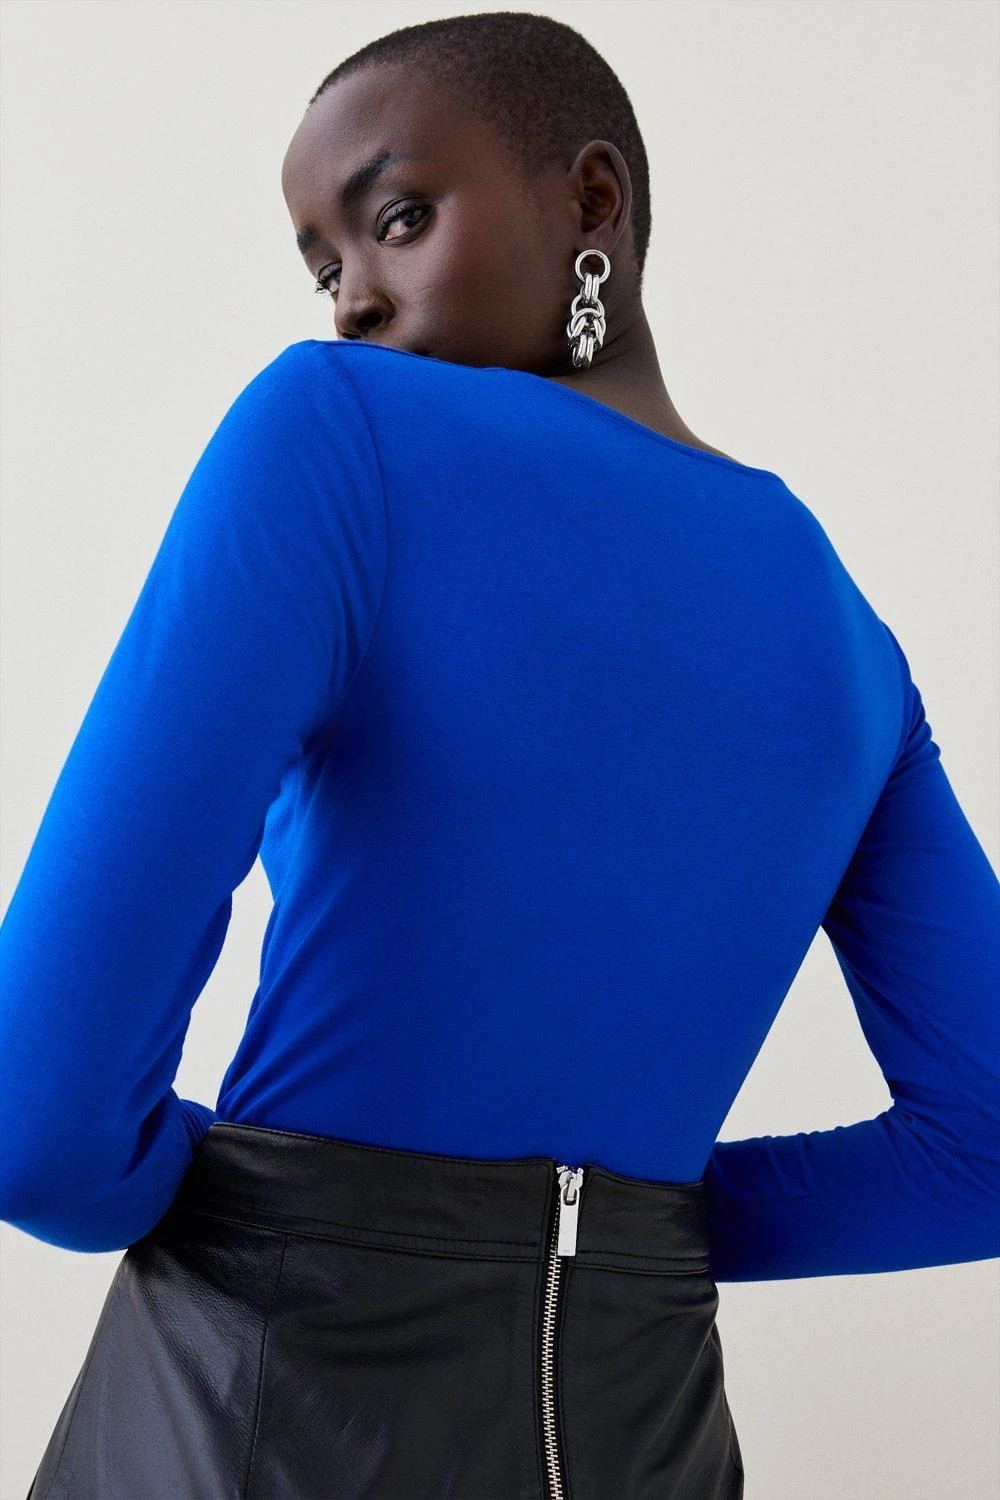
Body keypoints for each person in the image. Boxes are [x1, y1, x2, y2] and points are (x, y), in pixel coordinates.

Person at [5, 10, 999, 1499]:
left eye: (398, 218)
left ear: (593, 201)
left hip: (265, 1413)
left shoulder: (331, 433)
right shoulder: (847, 635)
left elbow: (39, 1137)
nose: (353, 300)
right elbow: (985, 1153)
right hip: (643, 1429)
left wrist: (304, 1206)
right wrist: (628, 1225)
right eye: (324, 267)